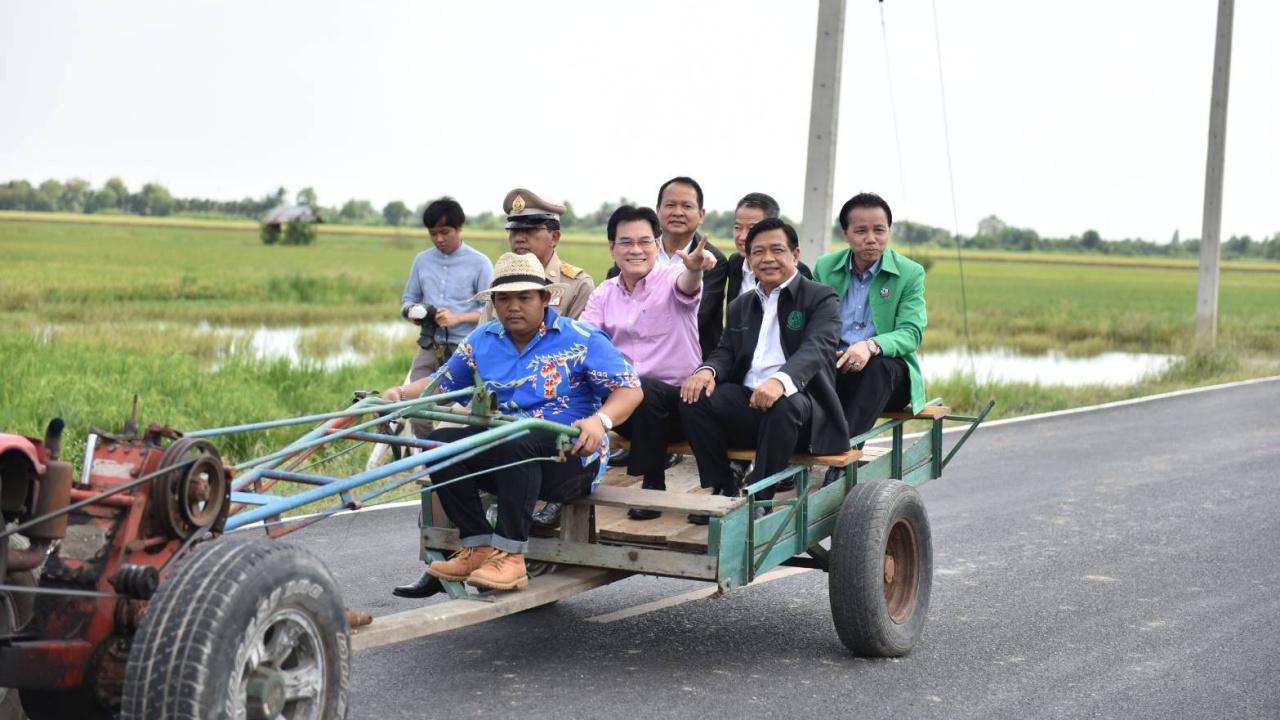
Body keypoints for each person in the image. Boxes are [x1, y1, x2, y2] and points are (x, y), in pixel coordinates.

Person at [387, 252, 642, 595]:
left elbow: (630, 389)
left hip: (569, 461)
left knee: (519, 439)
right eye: (504, 299)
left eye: (524, 297)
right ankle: (477, 546)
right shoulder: (483, 340)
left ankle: (510, 556)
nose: (513, 307)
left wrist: (600, 421)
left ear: (545, 298)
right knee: (441, 443)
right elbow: (441, 384)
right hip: (508, 454)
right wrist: (398, 395)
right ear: (493, 303)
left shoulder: (582, 339)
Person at [678, 218, 848, 524]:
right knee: (693, 397)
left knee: (784, 404)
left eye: (777, 250)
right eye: (758, 252)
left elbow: (817, 348)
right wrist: (707, 371)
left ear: (795, 255)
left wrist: (781, 380)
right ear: (749, 258)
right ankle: (724, 487)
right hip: (748, 401)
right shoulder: (742, 304)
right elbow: (726, 351)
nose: (767, 258)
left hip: (801, 409)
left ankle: (762, 498)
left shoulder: (821, 297)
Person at [576, 205, 715, 521]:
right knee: (625, 390)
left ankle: (653, 483)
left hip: (681, 405)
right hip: (629, 409)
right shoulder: (604, 293)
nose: (636, 250)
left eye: (644, 242)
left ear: (657, 244)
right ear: (612, 248)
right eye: (626, 242)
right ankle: (565, 489)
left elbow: (688, 284)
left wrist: (695, 269)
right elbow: (585, 340)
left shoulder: (672, 278)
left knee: (643, 387)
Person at [813, 192, 927, 484]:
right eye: (861, 231)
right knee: (804, 366)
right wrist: (830, 352)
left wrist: (871, 346)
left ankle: (843, 458)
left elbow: (911, 333)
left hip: (887, 376)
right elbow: (814, 321)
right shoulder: (826, 267)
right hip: (837, 366)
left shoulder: (910, 273)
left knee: (878, 367)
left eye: (879, 230)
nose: (871, 239)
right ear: (845, 233)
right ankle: (789, 462)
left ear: (889, 231)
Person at [399, 197, 494, 439]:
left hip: (466, 349)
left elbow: (491, 310)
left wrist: (457, 318)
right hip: (430, 344)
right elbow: (407, 300)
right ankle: (428, 456)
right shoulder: (422, 260)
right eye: (433, 233)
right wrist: (414, 312)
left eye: (445, 232)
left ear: (459, 227)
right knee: (414, 405)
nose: (439, 239)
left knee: (458, 413)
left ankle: (449, 456)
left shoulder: (480, 263)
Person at [606, 177, 728, 359]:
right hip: (630, 360)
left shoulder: (711, 260)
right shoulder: (633, 255)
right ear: (658, 210)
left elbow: (698, 315)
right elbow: (613, 311)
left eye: (686, 206)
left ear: (701, 215)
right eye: (670, 205)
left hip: (689, 362)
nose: (678, 212)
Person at [485, 187, 594, 320]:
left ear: (554, 237)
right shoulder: (503, 279)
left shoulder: (578, 285)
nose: (519, 238)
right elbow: (484, 330)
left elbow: (577, 333)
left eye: (530, 230)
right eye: (514, 230)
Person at [725, 192, 813, 299]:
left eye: (752, 228)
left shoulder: (797, 272)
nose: (743, 237)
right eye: (737, 228)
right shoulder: (735, 262)